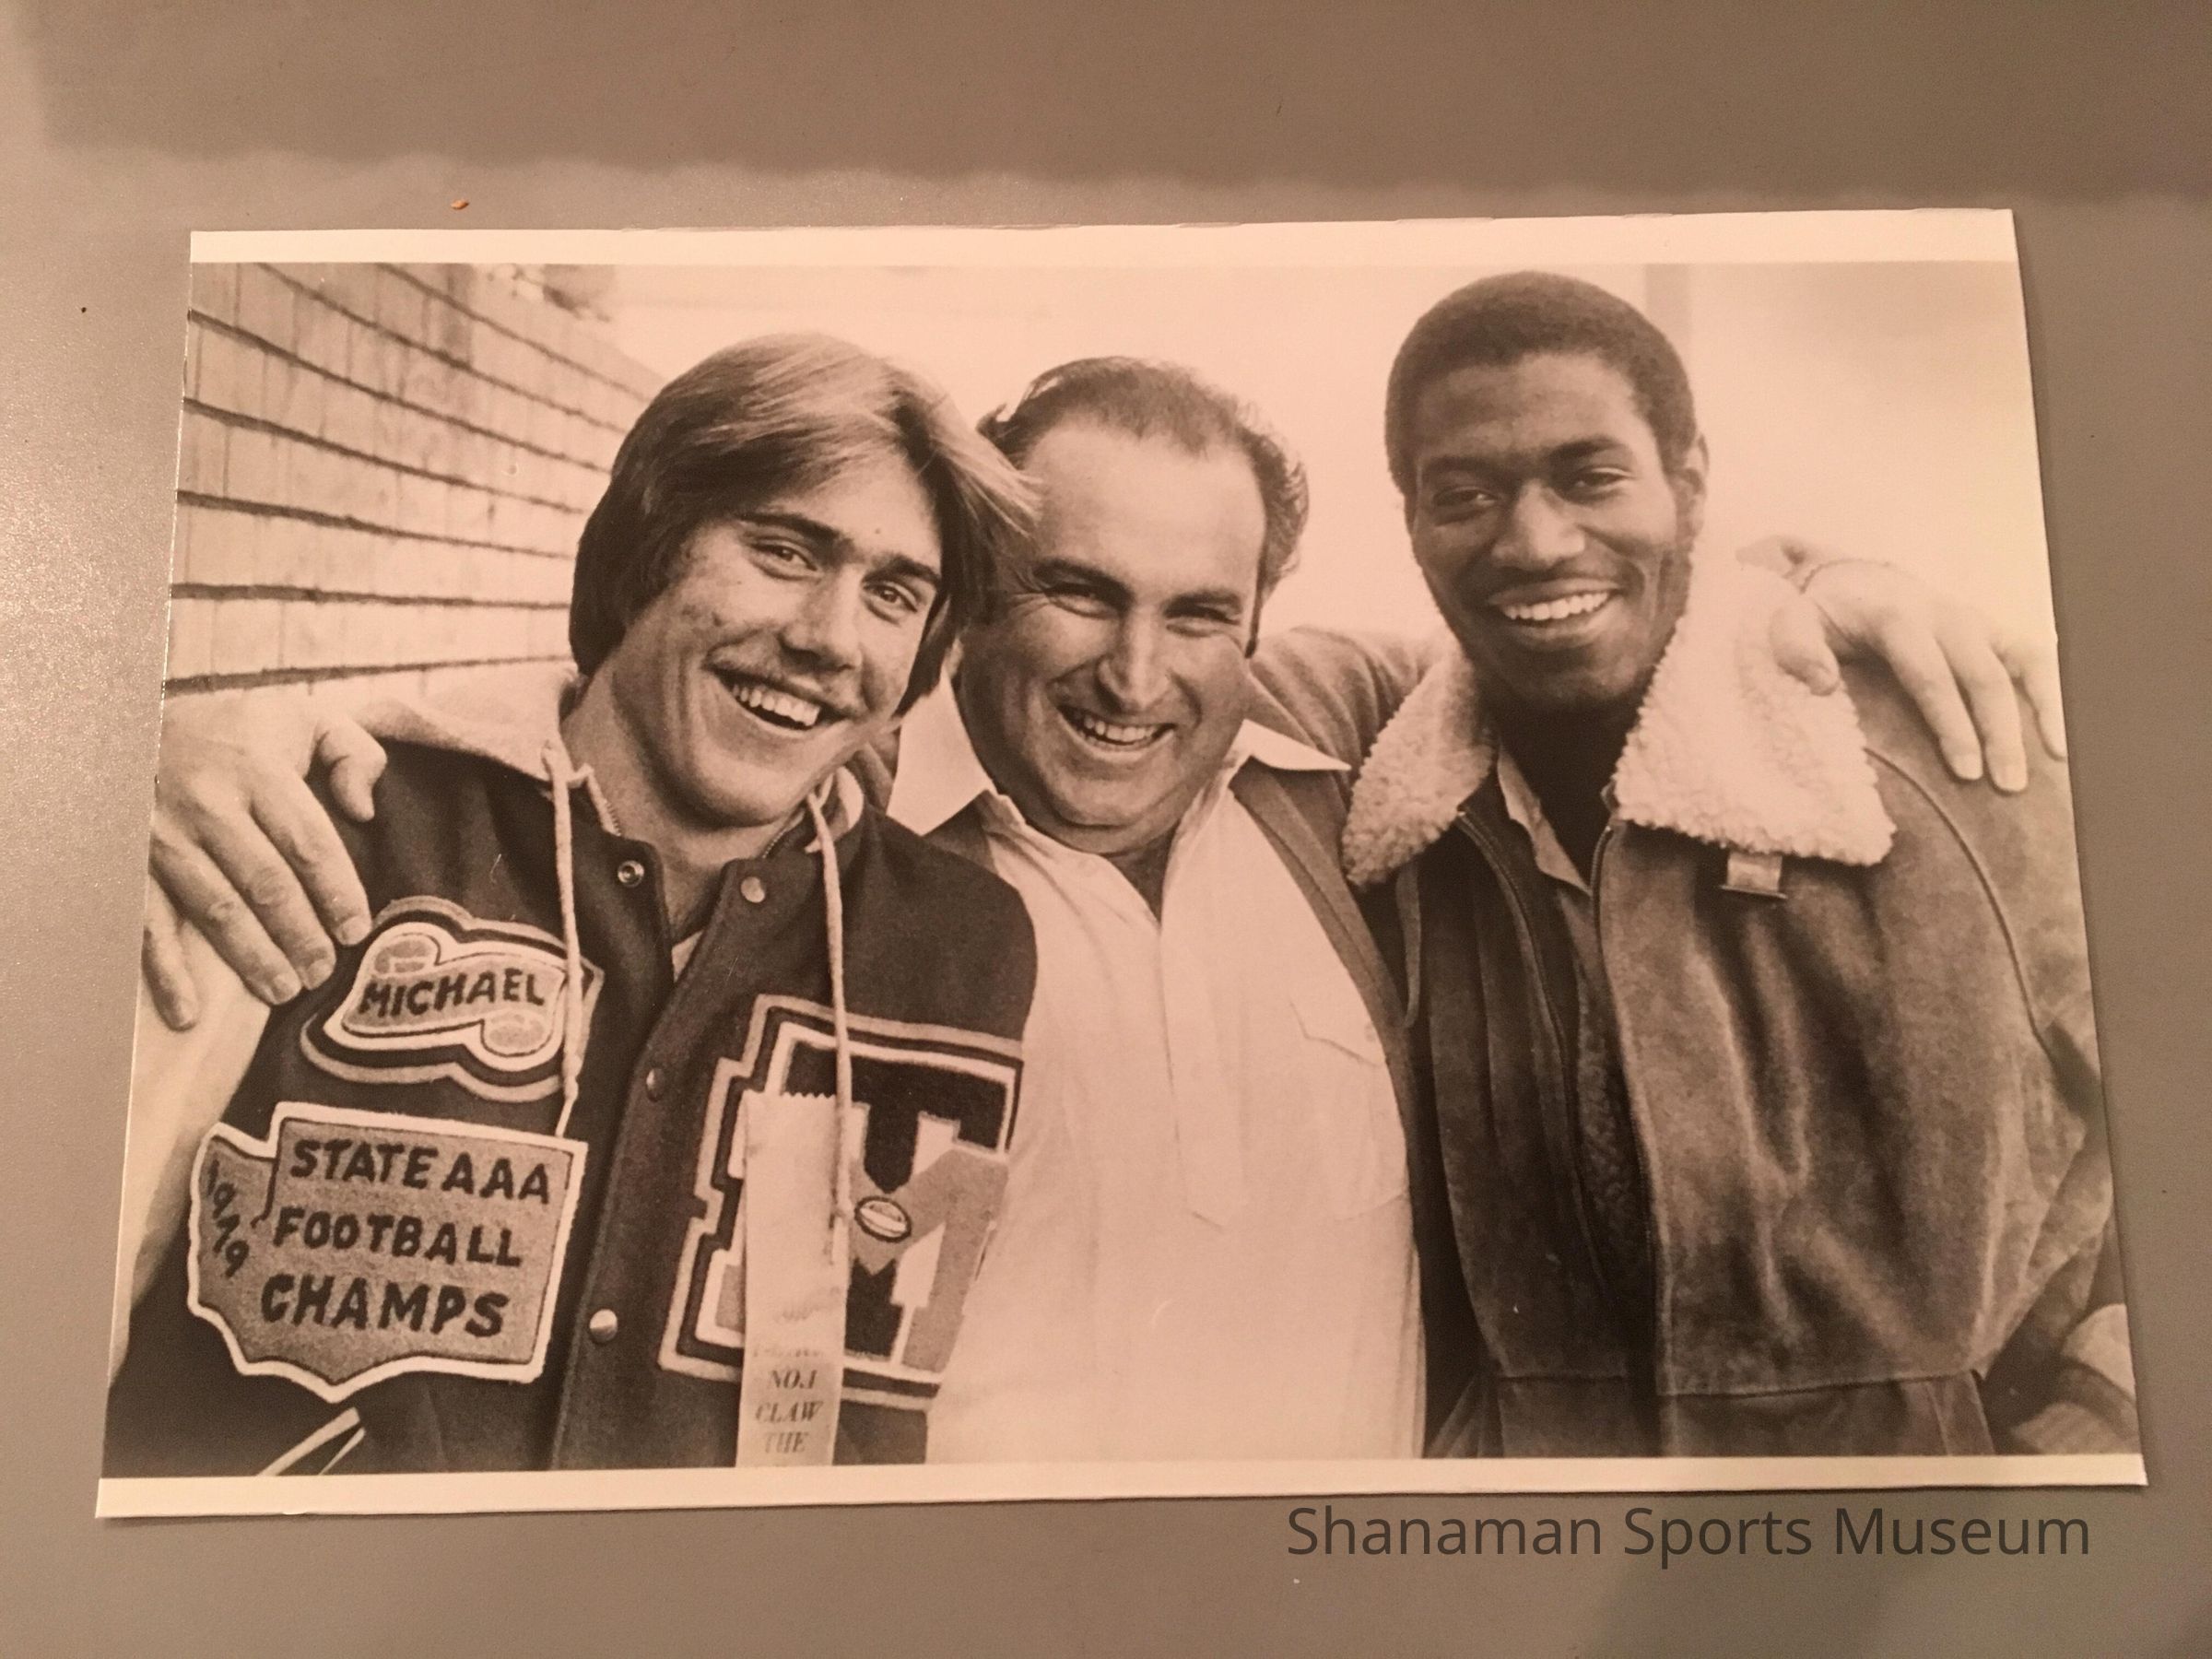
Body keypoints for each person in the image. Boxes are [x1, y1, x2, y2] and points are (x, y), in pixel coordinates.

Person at [133, 355, 2063, 1463]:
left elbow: (1576, 626)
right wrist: (192, 741)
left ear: (1256, 628)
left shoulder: (1351, 797)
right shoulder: (842, 843)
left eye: (1200, 613)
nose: (1138, 675)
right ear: (971, 604)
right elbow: (613, 734)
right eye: (1073, 592)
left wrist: (1808, 591)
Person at [105, 335, 1041, 1477]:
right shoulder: (315, 828)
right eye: (784, 550)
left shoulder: (960, 944)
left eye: (894, 595)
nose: (829, 638)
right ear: (649, 549)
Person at [1342, 271, 2131, 1456]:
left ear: (1690, 486)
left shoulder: (1951, 745)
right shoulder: (1404, 811)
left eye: (1591, 478)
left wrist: (2096, 1427)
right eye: (1465, 496)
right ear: (1410, 522)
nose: (1535, 543)